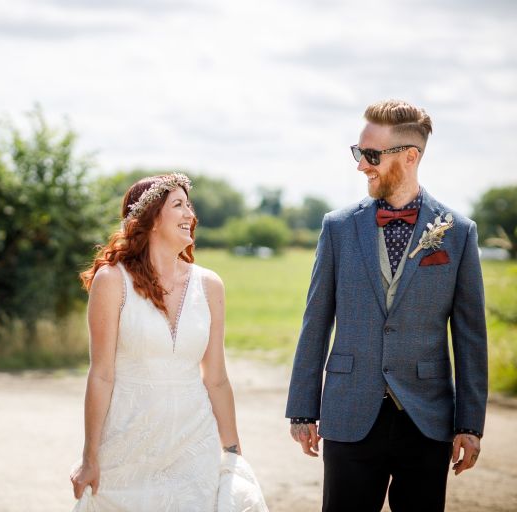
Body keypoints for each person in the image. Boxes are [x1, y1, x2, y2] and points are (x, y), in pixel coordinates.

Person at [286, 99, 488, 512]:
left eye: (371, 155)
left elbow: (470, 336)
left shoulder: (458, 233)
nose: (362, 165)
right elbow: (316, 321)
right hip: (349, 411)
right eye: (359, 153)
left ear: (410, 156)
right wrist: (303, 410)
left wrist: (469, 424)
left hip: (426, 419)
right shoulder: (338, 227)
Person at [70, 173, 267, 511]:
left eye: (190, 205)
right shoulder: (112, 281)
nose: (190, 214)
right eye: (178, 205)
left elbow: (216, 377)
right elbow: (101, 374)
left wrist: (233, 451)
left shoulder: (209, 285)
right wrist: (89, 456)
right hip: (128, 445)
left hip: (194, 442)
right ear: (151, 220)